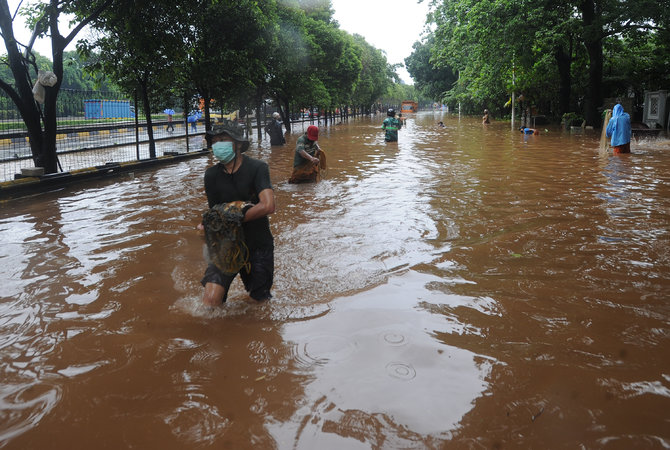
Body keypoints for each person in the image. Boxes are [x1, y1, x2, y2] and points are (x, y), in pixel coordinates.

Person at [200, 121, 275, 306]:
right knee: (210, 301)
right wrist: (207, 227)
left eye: (223, 139)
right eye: (215, 141)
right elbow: (215, 214)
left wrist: (232, 219)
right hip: (226, 244)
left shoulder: (258, 168)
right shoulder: (211, 176)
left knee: (259, 303)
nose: (218, 144)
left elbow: (268, 205)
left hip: (258, 244)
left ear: (238, 143)